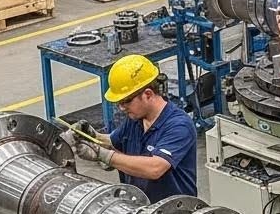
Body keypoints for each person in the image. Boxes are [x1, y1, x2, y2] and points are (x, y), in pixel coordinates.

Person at [64, 53, 198, 201]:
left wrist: (104, 155)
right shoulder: (136, 118)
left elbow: (155, 168)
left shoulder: (179, 125)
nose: (121, 108)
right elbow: (114, 141)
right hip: (138, 207)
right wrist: (94, 137)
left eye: (126, 101)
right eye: (119, 103)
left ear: (148, 94)